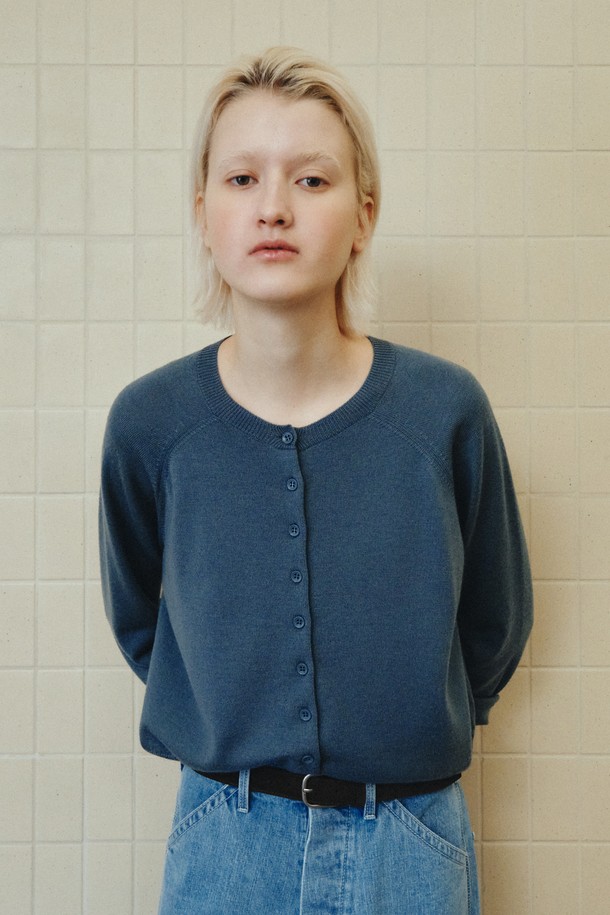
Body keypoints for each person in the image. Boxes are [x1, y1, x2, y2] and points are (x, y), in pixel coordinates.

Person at [99, 47, 533, 915]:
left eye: (311, 179)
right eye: (241, 178)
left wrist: (408, 729)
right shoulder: (151, 423)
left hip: (413, 840)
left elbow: (494, 621)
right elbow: (143, 621)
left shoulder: (443, 412)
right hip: (223, 840)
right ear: (203, 212)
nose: (273, 207)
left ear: (364, 215)